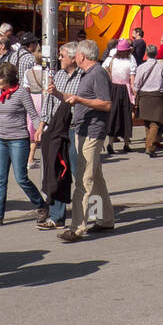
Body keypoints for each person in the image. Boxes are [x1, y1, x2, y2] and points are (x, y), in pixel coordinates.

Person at [57, 39, 115, 241]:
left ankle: (77, 227)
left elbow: (106, 103)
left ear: (82, 56)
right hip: (84, 130)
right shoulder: (87, 73)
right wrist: (57, 93)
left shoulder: (97, 73)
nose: (75, 57)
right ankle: (105, 220)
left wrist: (80, 100)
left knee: (84, 179)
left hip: (93, 131)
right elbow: (78, 98)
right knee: (96, 178)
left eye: (77, 54)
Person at [0, 62, 48, 226]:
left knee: (21, 178)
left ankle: (41, 205)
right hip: (2, 140)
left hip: (18, 140)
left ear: (8, 78)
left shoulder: (22, 93)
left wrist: (39, 130)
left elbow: (33, 114)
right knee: (0, 179)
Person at [37, 43, 81, 230]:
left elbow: (78, 102)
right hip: (55, 130)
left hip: (76, 130)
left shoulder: (83, 77)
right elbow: (48, 103)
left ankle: (87, 214)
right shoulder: (58, 76)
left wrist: (58, 94)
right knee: (56, 172)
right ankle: (56, 217)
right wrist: (41, 127)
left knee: (80, 174)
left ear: (73, 57)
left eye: (62, 55)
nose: (60, 58)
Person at [134, 43, 163, 157]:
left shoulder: (141, 67)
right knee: (155, 122)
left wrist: (136, 95)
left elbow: (136, 84)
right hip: (157, 96)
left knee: (147, 122)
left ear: (146, 53)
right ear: (156, 54)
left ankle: (148, 145)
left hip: (144, 96)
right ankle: (150, 147)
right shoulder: (162, 66)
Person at [102, 39, 135, 155]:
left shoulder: (112, 59)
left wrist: (110, 76)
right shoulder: (131, 60)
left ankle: (110, 143)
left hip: (114, 88)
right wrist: (134, 92)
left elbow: (103, 68)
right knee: (126, 115)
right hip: (125, 90)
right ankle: (126, 143)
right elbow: (132, 79)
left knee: (114, 115)